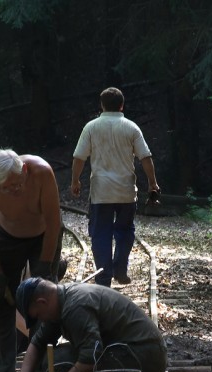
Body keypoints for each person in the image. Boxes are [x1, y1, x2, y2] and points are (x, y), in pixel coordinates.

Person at [0, 149, 63, 372]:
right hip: (6, 239)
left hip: (43, 238)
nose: (13, 190)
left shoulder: (42, 173)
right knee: (0, 308)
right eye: (7, 188)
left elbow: (53, 222)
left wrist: (45, 268)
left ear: (24, 171)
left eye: (17, 185)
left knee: (44, 305)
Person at [12, 277, 167, 372]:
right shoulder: (58, 303)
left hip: (145, 356)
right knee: (50, 362)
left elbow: (88, 362)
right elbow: (37, 344)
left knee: (58, 366)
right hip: (130, 351)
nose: (41, 320)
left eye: (38, 315)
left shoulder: (75, 308)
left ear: (42, 302)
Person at [71, 87, 161, 287]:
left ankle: (103, 278)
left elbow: (79, 157)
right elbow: (145, 157)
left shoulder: (91, 127)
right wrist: (153, 183)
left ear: (102, 105)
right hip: (126, 192)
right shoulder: (131, 127)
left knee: (100, 233)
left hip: (101, 192)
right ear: (122, 105)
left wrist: (75, 180)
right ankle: (120, 269)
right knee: (125, 231)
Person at [0, 260, 68, 368]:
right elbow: (15, 314)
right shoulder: (16, 269)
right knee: (20, 320)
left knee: (28, 323)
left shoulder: (31, 272)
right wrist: (43, 339)